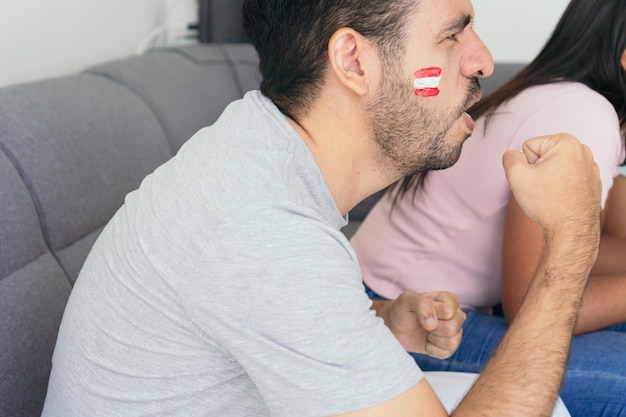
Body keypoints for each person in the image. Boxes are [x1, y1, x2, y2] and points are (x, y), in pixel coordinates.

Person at [42, 0, 600, 416]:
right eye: (453, 35)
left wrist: (375, 321)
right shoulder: (264, 229)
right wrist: (573, 238)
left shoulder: (258, 148)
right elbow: (268, 267)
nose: (481, 60)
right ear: (353, 60)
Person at [350, 0, 626, 415]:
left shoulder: (565, 98)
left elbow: (601, 236)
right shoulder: (582, 113)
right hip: (404, 315)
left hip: (419, 299)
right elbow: (530, 298)